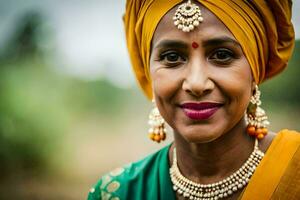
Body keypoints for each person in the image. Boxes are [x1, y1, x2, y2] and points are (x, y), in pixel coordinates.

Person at [88, 0, 299, 199]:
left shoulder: (294, 168)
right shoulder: (118, 193)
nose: (196, 83)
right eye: (172, 57)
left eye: (222, 55)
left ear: (255, 69)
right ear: (148, 71)